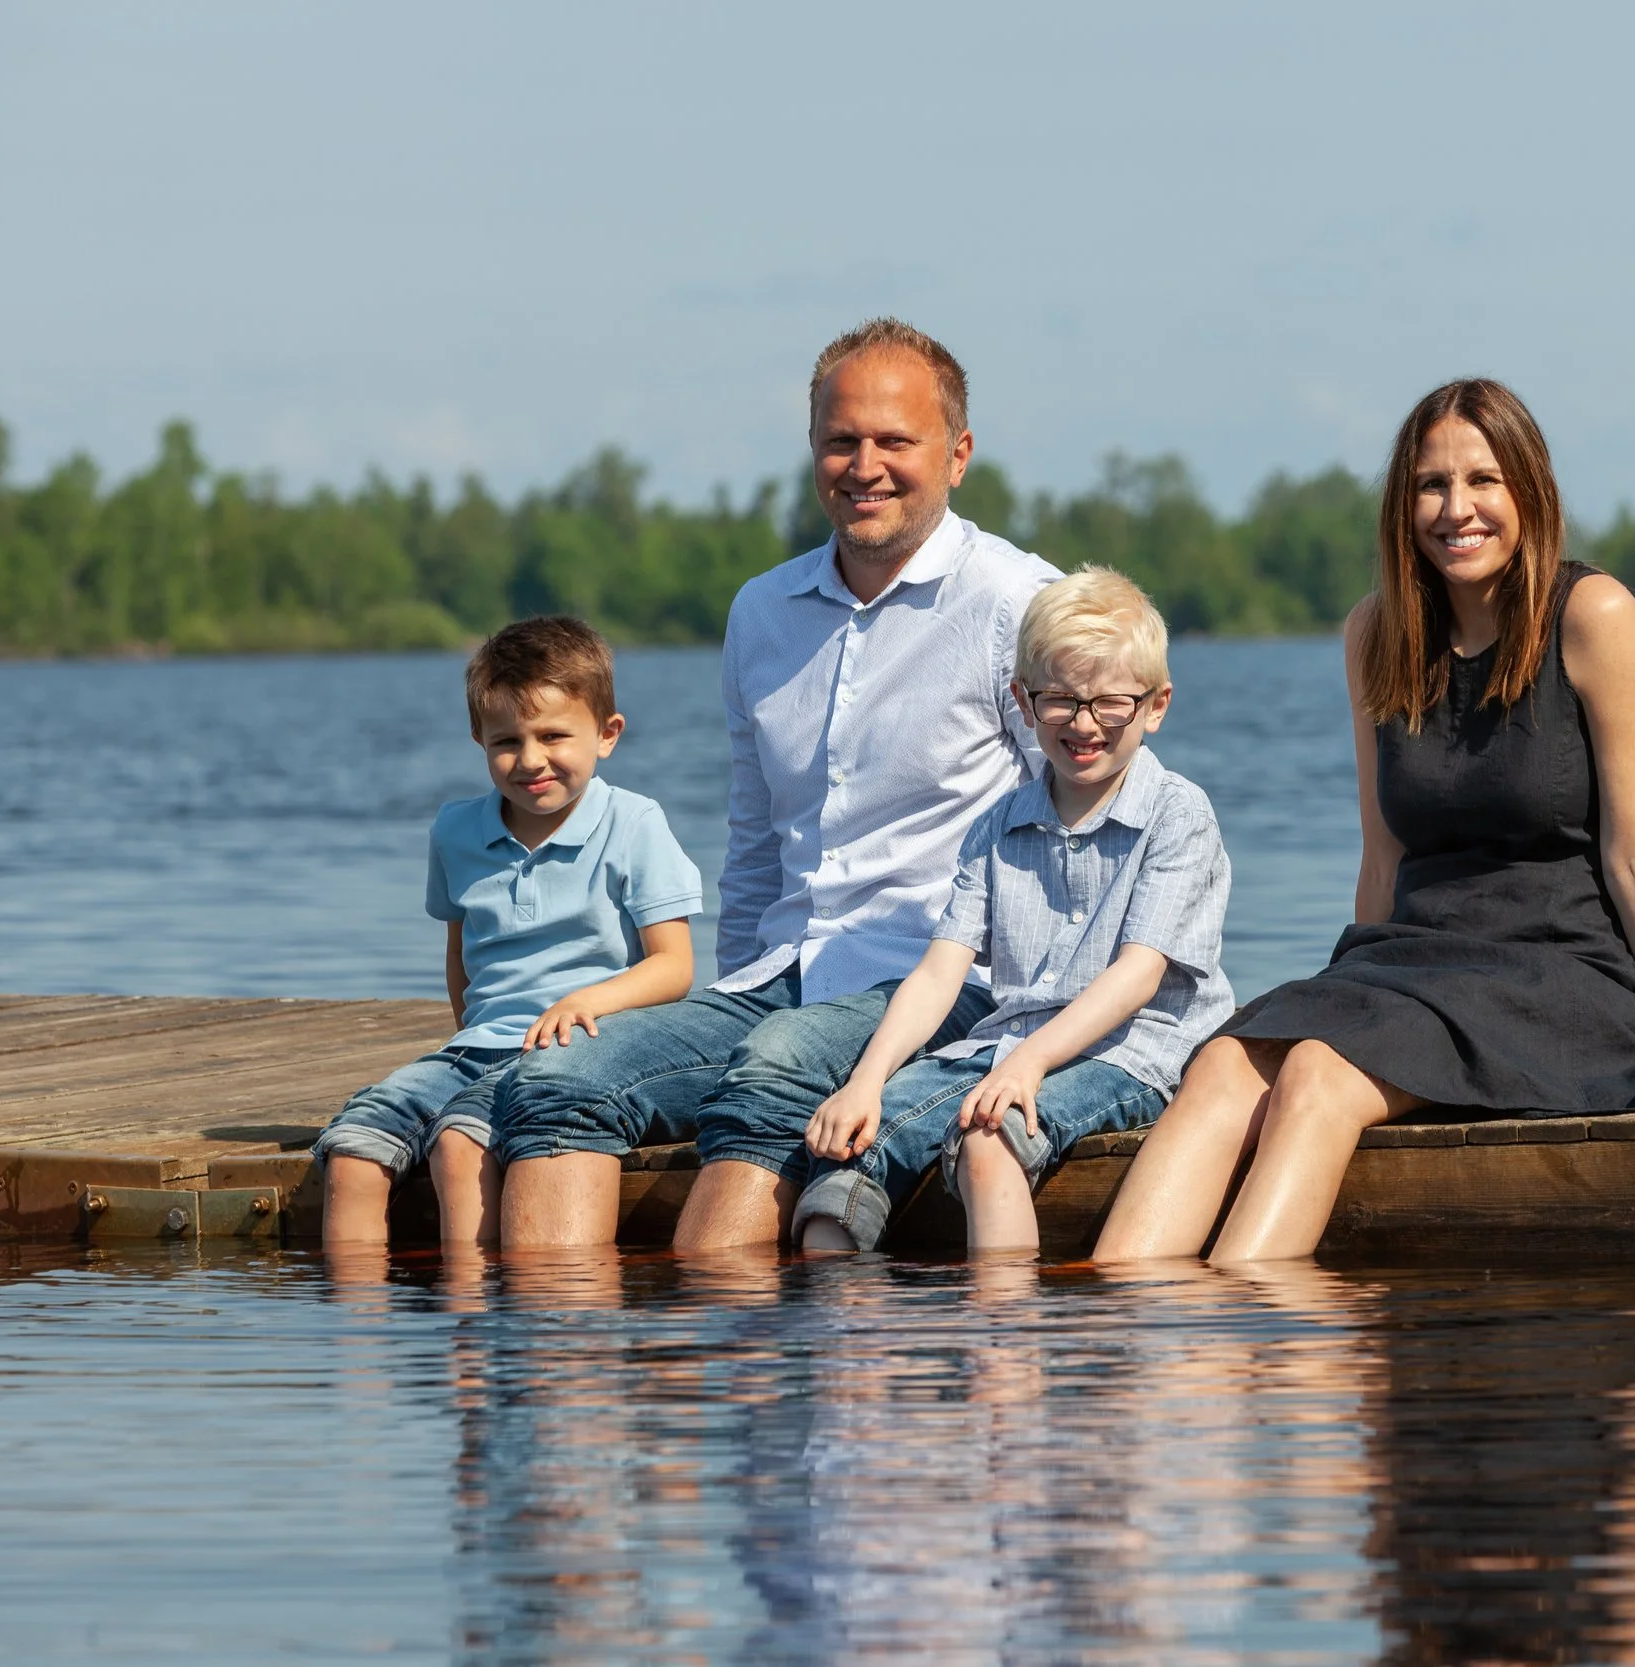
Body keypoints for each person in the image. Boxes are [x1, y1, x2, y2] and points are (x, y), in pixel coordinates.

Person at [1093, 378, 1635, 1266]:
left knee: (1317, 1074)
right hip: (1412, 961)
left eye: (1483, 481)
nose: (1456, 509)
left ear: (1529, 492)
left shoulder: (1594, 617)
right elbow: (1382, 849)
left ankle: (1261, 1333)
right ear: (1403, 502)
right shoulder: (1374, 633)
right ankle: (1132, 1343)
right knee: (1225, 1065)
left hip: (1551, 966)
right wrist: (1349, 986)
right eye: (1432, 485)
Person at [487, 319, 1059, 1250]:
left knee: (773, 1064)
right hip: (777, 977)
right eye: (841, 441)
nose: (863, 464)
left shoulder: (1018, 604)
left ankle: (742, 1368)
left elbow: (1081, 826)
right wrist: (723, 995)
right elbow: (755, 843)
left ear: (956, 455)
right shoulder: (762, 611)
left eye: (893, 441)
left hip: (943, 983)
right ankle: (565, 1374)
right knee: (552, 1076)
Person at [791, 568, 1232, 1254]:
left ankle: (1008, 1343)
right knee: (849, 1148)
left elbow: (1138, 976)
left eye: (1110, 702)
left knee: (990, 1139)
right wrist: (867, 1082)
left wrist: (1028, 1064)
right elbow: (939, 974)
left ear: (1155, 705)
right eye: (1059, 699)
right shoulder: (997, 825)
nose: (1084, 724)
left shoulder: (1178, 814)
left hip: (1133, 1050)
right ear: (1023, 702)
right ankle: (851, 1347)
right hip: (1009, 1043)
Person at [314, 616, 702, 1248]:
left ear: (607, 735)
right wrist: (468, 1030)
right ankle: (360, 1336)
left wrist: (584, 1003)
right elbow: (461, 955)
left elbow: (673, 967)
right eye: (506, 742)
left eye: (553, 736)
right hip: (474, 1048)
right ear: (478, 738)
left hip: (573, 1054)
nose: (530, 761)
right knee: (354, 1148)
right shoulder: (456, 832)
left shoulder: (633, 824)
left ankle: (473, 1330)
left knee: (459, 1144)